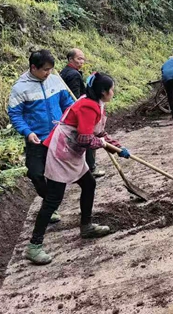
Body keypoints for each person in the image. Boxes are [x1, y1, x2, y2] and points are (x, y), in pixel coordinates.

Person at [24, 73, 130, 265]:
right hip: (62, 152)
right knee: (53, 200)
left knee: (89, 184)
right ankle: (34, 246)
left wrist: (118, 147)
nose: (113, 92)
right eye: (112, 89)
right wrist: (105, 145)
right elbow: (85, 139)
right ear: (103, 92)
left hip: (72, 151)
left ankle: (86, 226)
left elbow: (99, 132)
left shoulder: (95, 103)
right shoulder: (88, 106)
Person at [8, 50, 75, 225]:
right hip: (36, 139)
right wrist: (28, 132)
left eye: (51, 69)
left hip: (58, 136)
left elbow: (67, 104)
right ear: (33, 67)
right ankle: (50, 203)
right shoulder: (20, 88)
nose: (48, 73)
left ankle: (50, 207)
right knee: (35, 173)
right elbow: (15, 115)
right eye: (45, 70)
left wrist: (73, 119)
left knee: (58, 174)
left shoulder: (55, 81)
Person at [59, 48, 101, 177]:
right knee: (87, 137)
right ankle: (90, 168)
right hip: (77, 111)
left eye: (83, 59)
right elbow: (75, 97)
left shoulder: (65, 72)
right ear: (70, 59)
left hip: (66, 112)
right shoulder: (73, 75)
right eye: (79, 59)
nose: (81, 61)